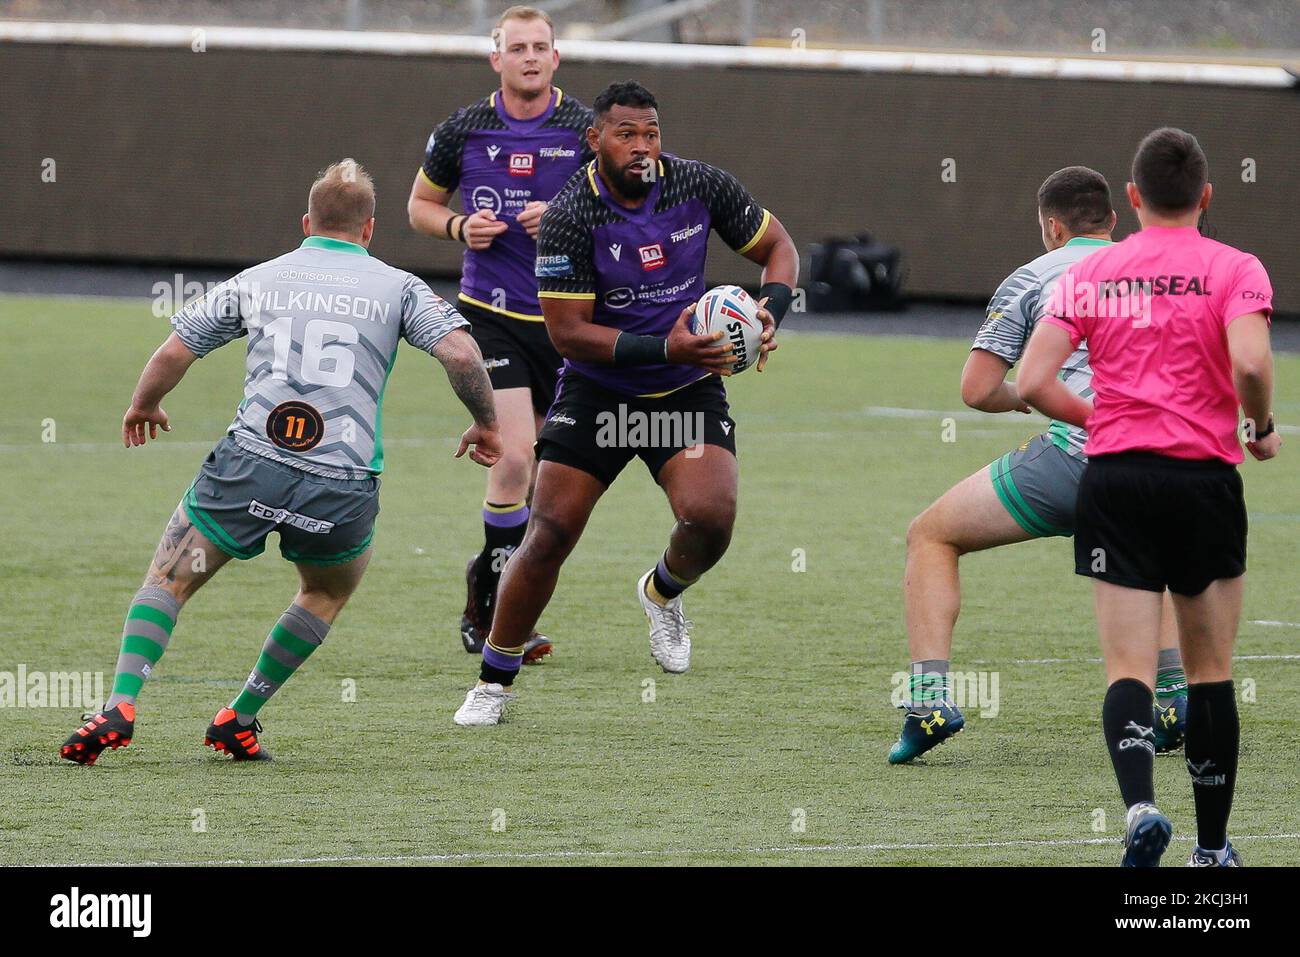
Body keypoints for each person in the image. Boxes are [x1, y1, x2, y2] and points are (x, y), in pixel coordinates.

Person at [62, 160, 500, 764]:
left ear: (306, 223)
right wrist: (486, 422)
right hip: (341, 485)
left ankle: (119, 705)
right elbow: (460, 354)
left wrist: (145, 404)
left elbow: (176, 347)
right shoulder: (399, 287)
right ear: (369, 230)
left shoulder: (261, 278)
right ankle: (238, 717)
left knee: (168, 578)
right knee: (323, 592)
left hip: (249, 466)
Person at [452, 80, 799, 726]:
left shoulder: (701, 186)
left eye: (651, 134)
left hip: (687, 389)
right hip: (599, 389)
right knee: (549, 532)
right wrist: (669, 347)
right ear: (595, 139)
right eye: (626, 135)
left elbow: (779, 249)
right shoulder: (568, 215)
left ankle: (661, 593)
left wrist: (768, 311)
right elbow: (568, 334)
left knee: (711, 518)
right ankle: (493, 680)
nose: (642, 148)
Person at [1018, 128, 1278, 866]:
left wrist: (1104, 419)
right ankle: (1213, 847)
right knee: (1209, 671)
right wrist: (1258, 425)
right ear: (1205, 196)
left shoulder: (1091, 273)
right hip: (1201, 479)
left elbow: (1034, 382)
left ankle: (1137, 808)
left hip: (1116, 480)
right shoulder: (1236, 267)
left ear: (1131, 199)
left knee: (1127, 665)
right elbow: (1253, 360)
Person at [890, 167, 1187, 764]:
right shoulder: (1163, 268)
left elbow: (977, 388)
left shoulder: (1033, 276)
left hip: (1082, 455)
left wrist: (1032, 396)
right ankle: (1177, 701)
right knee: (1152, 557)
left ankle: (928, 702)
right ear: (1113, 221)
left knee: (931, 535)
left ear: (1052, 226)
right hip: (1171, 457)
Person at [407, 5, 593, 663]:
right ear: (497, 59)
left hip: (569, 322)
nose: (531, 57)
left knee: (547, 482)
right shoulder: (463, 129)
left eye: (541, 46)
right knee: (514, 456)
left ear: (556, 57)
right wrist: (459, 227)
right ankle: (493, 613)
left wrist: (570, 218)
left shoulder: (585, 129)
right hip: (490, 315)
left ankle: (487, 588)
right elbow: (420, 208)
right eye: (518, 48)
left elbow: (627, 212)